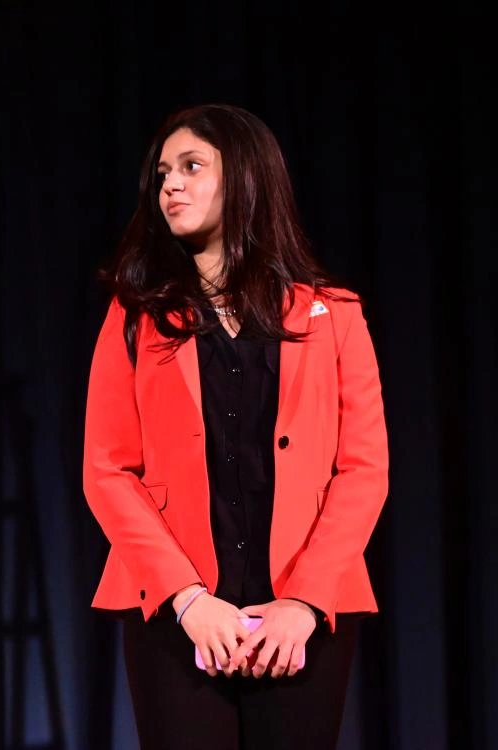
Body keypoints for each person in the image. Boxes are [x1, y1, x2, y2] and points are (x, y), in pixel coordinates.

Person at [82, 104, 388, 749]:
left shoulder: (335, 314)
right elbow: (107, 470)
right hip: (177, 614)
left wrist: (303, 603)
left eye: (192, 166)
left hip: (302, 617)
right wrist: (189, 599)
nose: (171, 184)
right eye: (163, 173)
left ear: (246, 177)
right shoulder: (135, 316)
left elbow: (364, 470)